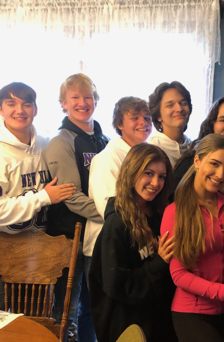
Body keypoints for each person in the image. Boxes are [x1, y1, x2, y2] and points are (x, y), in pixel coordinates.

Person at [160, 134, 224, 342]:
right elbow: (178, 274)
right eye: (214, 164)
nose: (221, 174)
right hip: (193, 313)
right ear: (197, 161)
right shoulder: (174, 212)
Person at [89, 143, 177, 342]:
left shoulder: (158, 215)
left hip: (156, 317)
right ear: (131, 172)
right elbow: (116, 285)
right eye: (148, 173)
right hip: (127, 324)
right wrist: (159, 262)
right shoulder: (116, 223)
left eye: (161, 176)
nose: (155, 183)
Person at [0, 82, 75, 310]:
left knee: (37, 320)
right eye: (11, 104)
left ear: (36, 109)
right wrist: (42, 198)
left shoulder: (45, 143)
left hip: (40, 251)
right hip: (5, 250)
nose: (20, 110)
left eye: (26, 104)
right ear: (1, 109)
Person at [45, 73, 108, 342]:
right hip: (68, 237)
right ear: (63, 103)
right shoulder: (62, 141)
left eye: (88, 97)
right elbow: (71, 196)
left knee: (93, 307)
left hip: (95, 237)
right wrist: (116, 216)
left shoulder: (104, 141)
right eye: (75, 98)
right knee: (66, 310)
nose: (83, 103)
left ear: (96, 100)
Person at [83, 96, 152, 259]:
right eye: (135, 118)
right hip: (108, 248)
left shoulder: (149, 155)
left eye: (147, 118)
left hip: (139, 245)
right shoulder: (108, 158)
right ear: (120, 124)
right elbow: (110, 208)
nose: (143, 122)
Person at [148, 81, 192, 167]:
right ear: (158, 115)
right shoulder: (152, 150)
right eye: (170, 105)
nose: (179, 109)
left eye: (183, 103)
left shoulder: (194, 147)